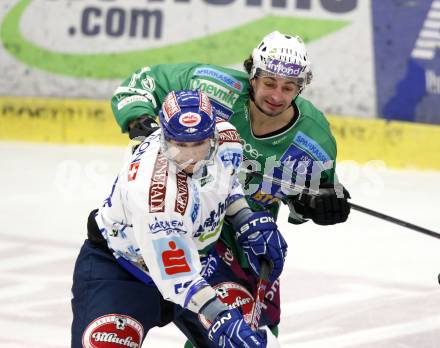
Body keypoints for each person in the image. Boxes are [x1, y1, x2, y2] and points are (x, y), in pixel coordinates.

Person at [110, 31, 351, 346]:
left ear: (300, 87)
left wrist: (316, 205)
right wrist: (137, 118)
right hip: (181, 210)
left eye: (288, 87)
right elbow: (142, 82)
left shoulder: (315, 142)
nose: (277, 95)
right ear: (252, 76)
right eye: (269, 83)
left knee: (242, 332)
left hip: (245, 230)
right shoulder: (213, 87)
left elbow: (306, 199)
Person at [71, 90, 288, 347]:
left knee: (243, 341)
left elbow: (225, 182)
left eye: (198, 144)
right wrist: (220, 315)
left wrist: (243, 218)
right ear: (163, 138)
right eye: (180, 145)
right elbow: (177, 277)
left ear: (213, 136)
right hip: (123, 271)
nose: (190, 156)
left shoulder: (227, 137)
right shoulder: (154, 194)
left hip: (199, 262)